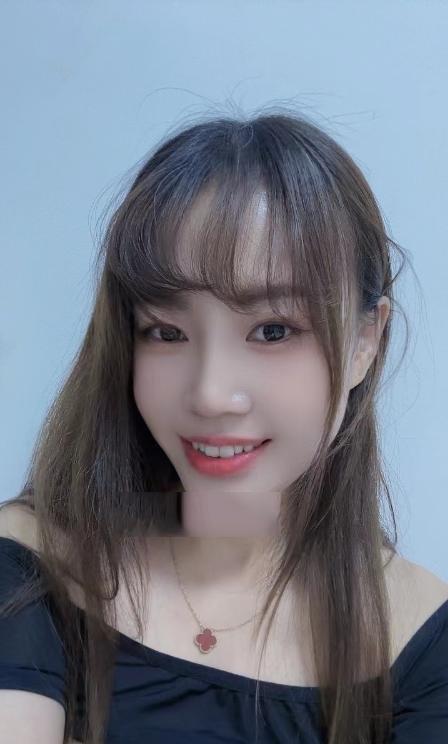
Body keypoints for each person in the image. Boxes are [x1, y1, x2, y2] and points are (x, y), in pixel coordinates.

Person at [1, 109, 447, 744]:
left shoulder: (421, 637)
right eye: (166, 332)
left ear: (364, 341)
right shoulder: (33, 562)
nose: (210, 394)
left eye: (273, 330)